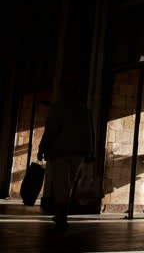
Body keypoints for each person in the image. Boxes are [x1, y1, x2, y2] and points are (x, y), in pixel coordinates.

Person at [38, 79, 95, 230]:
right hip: (79, 152)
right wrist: (89, 151)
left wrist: (42, 147)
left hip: (60, 151)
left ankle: (61, 216)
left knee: (60, 183)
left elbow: (50, 130)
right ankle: (62, 214)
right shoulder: (84, 109)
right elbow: (89, 132)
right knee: (69, 183)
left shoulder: (58, 107)